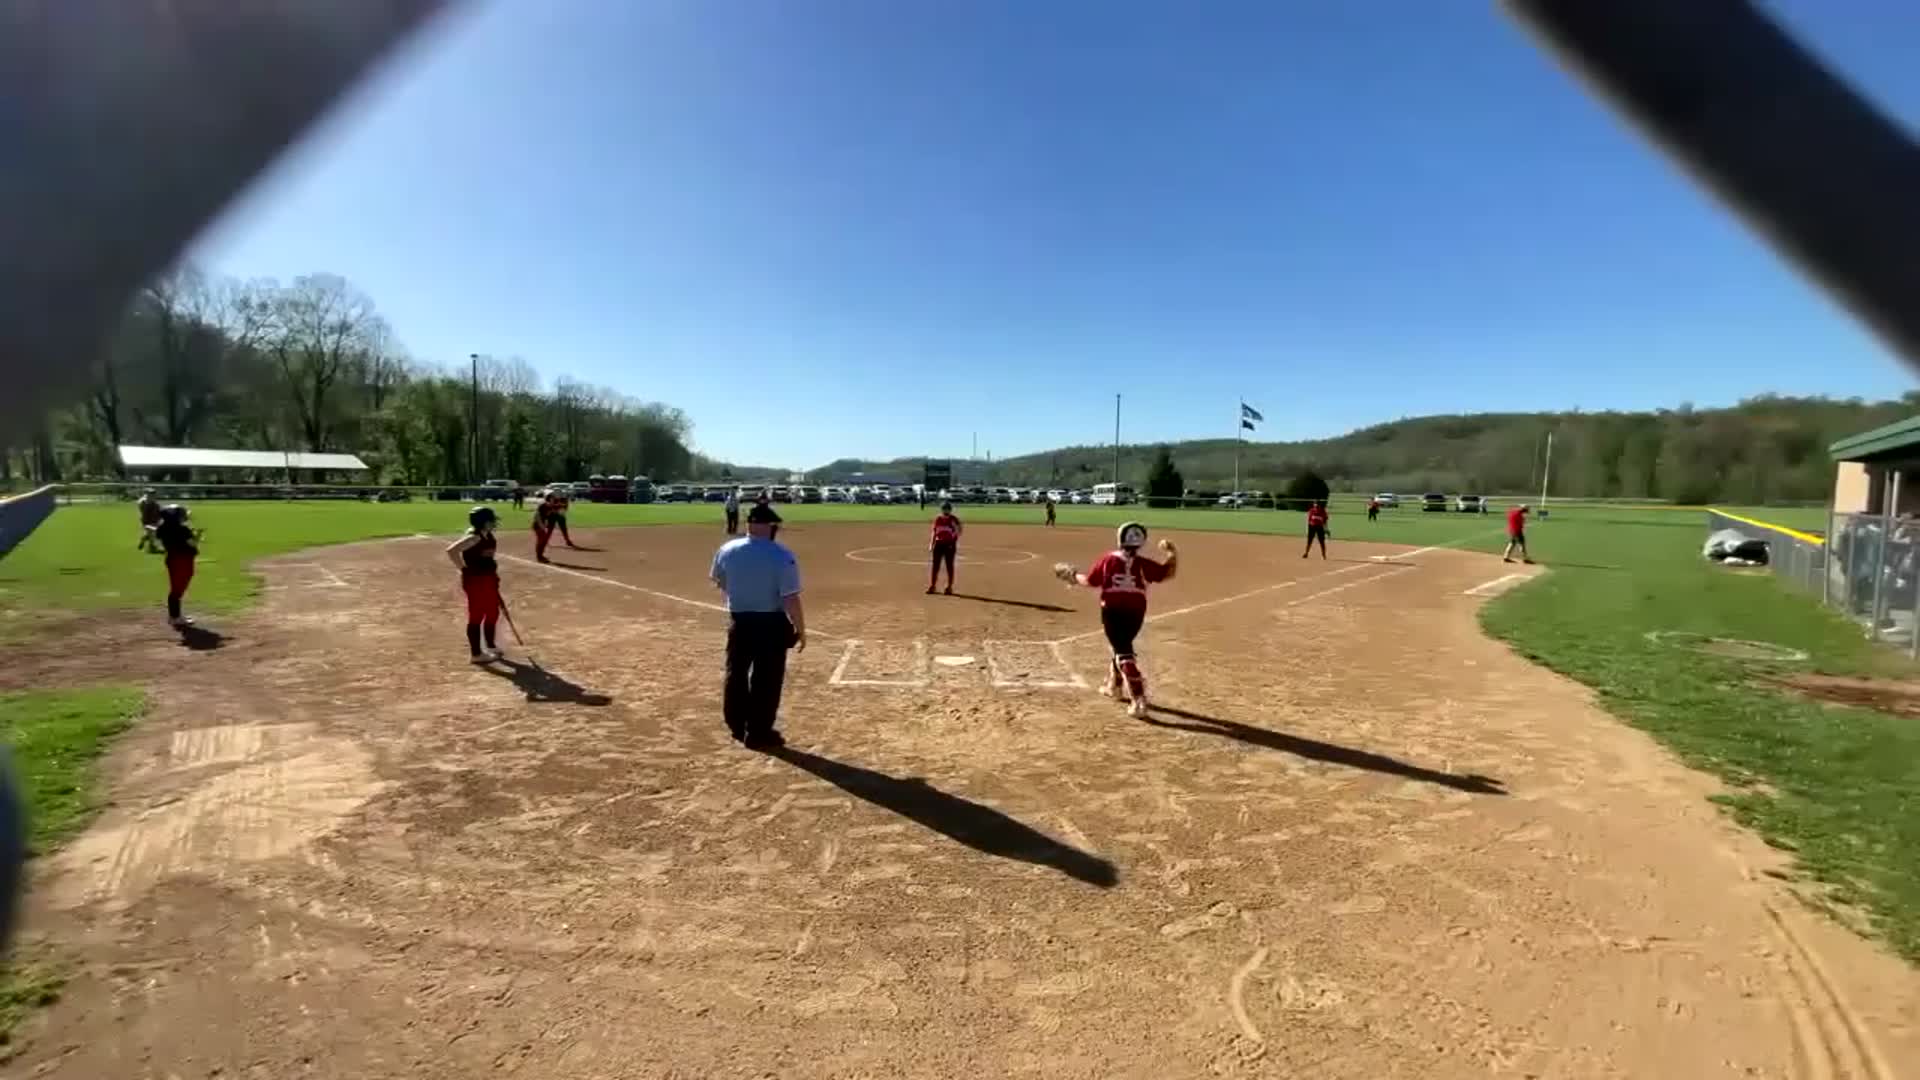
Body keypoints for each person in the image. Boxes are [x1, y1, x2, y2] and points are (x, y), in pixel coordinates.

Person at [1055, 522, 1176, 718]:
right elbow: (1167, 573)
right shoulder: (1143, 563)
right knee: (1121, 646)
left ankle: (1139, 700)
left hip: (1112, 612)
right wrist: (1172, 554)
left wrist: (1073, 576)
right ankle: (1114, 687)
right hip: (1136, 613)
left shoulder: (1108, 559)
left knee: (1123, 653)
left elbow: (1091, 581)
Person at [710, 503, 806, 748]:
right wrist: (800, 629)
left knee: (736, 673)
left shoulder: (727, 549)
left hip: (739, 620)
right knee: (767, 679)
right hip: (770, 623)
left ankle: (736, 725)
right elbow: (790, 598)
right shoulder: (782, 556)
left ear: (749, 525)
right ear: (770, 526)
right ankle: (758, 732)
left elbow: (720, 581)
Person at [446, 506, 503, 663]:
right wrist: (464, 570)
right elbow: (452, 551)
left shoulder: (488, 535)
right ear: (483, 522)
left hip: (488, 578)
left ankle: (490, 646)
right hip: (476, 580)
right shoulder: (474, 537)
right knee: (477, 615)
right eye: (491, 520)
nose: (494, 523)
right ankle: (476, 654)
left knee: (492, 612)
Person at [154, 503, 201, 628]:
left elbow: (158, 536)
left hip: (172, 559)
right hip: (183, 560)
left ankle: (176, 616)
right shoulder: (183, 529)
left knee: (177, 588)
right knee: (177, 590)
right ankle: (174, 617)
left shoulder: (163, 527)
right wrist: (197, 535)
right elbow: (193, 543)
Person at [928, 500, 962, 595]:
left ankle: (949, 587)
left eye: (947, 509)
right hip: (938, 544)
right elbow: (934, 532)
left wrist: (953, 540)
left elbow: (959, 531)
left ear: (950, 510)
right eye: (944, 509)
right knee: (935, 566)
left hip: (949, 545)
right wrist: (931, 543)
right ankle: (932, 586)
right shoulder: (938, 519)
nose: (946, 511)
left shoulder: (953, 519)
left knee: (949, 566)